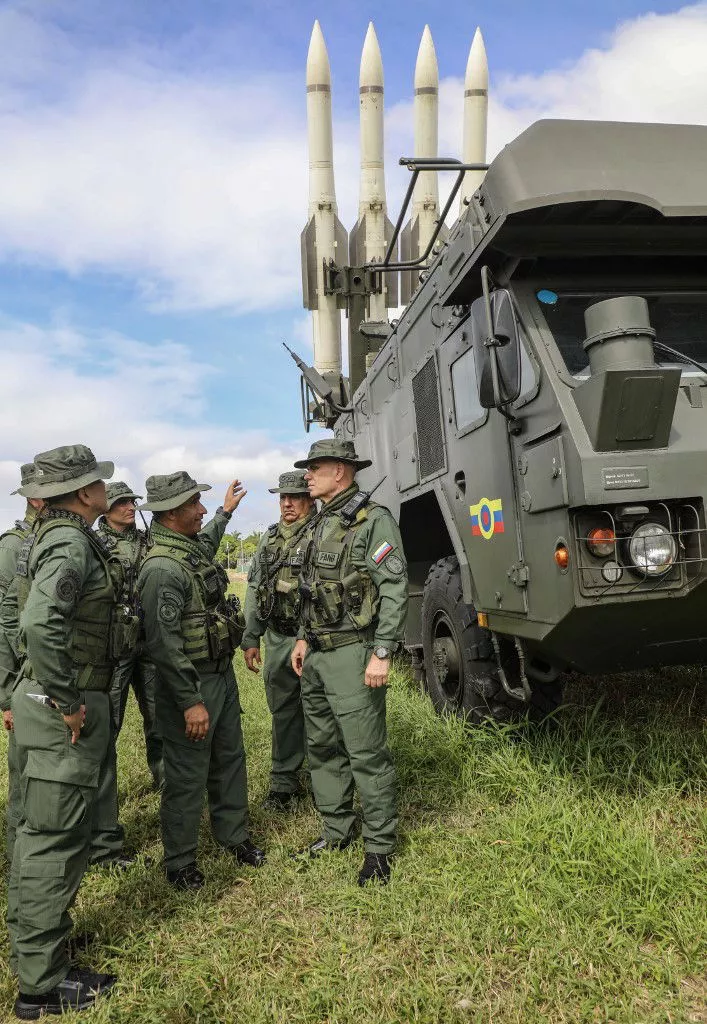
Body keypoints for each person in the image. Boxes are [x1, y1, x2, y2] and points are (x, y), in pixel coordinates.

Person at [6, 444, 130, 1018]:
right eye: (99, 483)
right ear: (84, 493)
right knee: (52, 844)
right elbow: (37, 621)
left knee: (45, 834)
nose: (106, 489)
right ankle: (41, 986)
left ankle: (40, 949)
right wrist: (68, 700)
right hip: (59, 714)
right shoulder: (70, 541)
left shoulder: (54, 535)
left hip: (46, 706)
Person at [137, 471, 265, 891]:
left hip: (220, 675)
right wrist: (190, 701)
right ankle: (179, 861)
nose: (202, 510)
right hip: (189, 684)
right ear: (173, 512)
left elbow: (206, 543)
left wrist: (227, 513)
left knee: (229, 757)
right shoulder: (160, 569)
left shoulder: (187, 549)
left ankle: (234, 836)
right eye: (196, 504)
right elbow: (164, 647)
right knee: (187, 774)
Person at [291, 439, 408, 887]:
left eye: (314, 467)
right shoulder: (321, 522)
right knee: (321, 747)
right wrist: (303, 639)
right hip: (318, 654)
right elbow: (312, 587)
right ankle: (337, 829)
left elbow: (394, 589)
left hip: (354, 654)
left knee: (365, 753)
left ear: (340, 471)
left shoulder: (372, 521)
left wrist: (382, 653)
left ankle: (379, 848)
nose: (307, 475)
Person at [242, 470, 316, 809]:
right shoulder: (269, 539)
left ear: (309, 498)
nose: (287, 503)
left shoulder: (321, 532)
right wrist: (251, 635)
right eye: (282, 497)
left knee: (319, 710)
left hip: (314, 639)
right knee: (283, 710)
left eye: (295, 497)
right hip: (277, 637)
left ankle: (323, 779)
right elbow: (255, 588)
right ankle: (284, 782)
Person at [96, 481, 164, 791]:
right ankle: (101, 793)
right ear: (106, 509)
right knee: (109, 721)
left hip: (148, 642)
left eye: (132, 502)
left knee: (158, 717)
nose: (130, 507)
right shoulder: (94, 544)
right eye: (122, 503)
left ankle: (164, 781)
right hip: (115, 648)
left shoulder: (149, 541)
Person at [0, 463, 45, 864]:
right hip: (25, 683)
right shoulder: (15, 545)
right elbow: (4, 623)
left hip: (50, 682)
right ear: (35, 497)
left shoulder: (52, 538)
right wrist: (7, 696)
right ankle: (20, 862)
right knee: (25, 781)